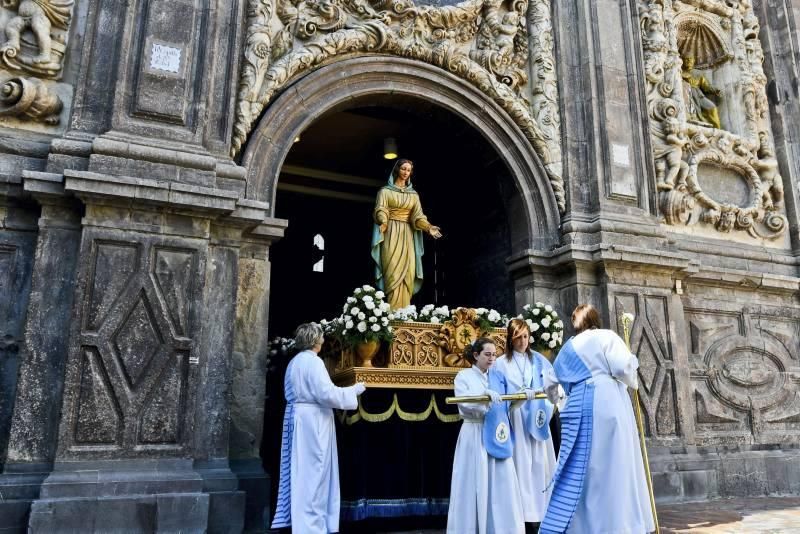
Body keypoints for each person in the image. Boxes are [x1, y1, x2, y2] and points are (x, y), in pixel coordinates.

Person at [540, 305, 655, 534]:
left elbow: (550, 383)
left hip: (578, 407)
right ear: (595, 318)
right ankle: (619, 524)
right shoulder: (607, 336)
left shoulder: (568, 347)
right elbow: (623, 369)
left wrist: (560, 401)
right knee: (616, 464)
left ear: (576, 323)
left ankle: (585, 526)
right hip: (608, 401)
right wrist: (632, 367)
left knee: (586, 467)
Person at [271, 323, 367, 533]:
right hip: (313, 422)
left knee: (302, 471)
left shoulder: (294, 362)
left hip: (300, 418)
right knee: (315, 472)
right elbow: (326, 393)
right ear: (317, 341)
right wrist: (355, 390)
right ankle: (311, 526)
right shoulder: (313, 363)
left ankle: (304, 522)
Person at [447, 337, 532, 534]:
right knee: (474, 480)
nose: (492, 358)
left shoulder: (498, 376)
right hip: (474, 432)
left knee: (501, 480)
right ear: (475, 355)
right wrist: (485, 398)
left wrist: (521, 397)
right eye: (487, 354)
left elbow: (507, 404)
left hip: (495, 433)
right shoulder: (464, 376)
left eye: (494, 354)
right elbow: (464, 405)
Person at [493, 319, 560, 532]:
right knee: (521, 465)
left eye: (525, 336)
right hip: (517, 419)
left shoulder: (539, 360)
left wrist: (546, 399)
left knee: (540, 464)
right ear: (510, 339)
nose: (523, 341)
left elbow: (553, 389)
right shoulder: (501, 363)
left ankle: (542, 512)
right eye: (518, 337)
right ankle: (523, 513)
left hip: (537, 417)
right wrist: (517, 399)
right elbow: (497, 392)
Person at [371, 159, 442, 310]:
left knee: (408, 271)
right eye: (403, 169)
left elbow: (417, 216)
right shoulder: (385, 191)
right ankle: (392, 311)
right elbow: (380, 209)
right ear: (397, 170)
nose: (405, 172)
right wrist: (383, 221)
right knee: (393, 271)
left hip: (408, 236)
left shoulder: (413, 195)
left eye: (408, 170)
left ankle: (404, 312)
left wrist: (428, 227)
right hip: (391, 233)